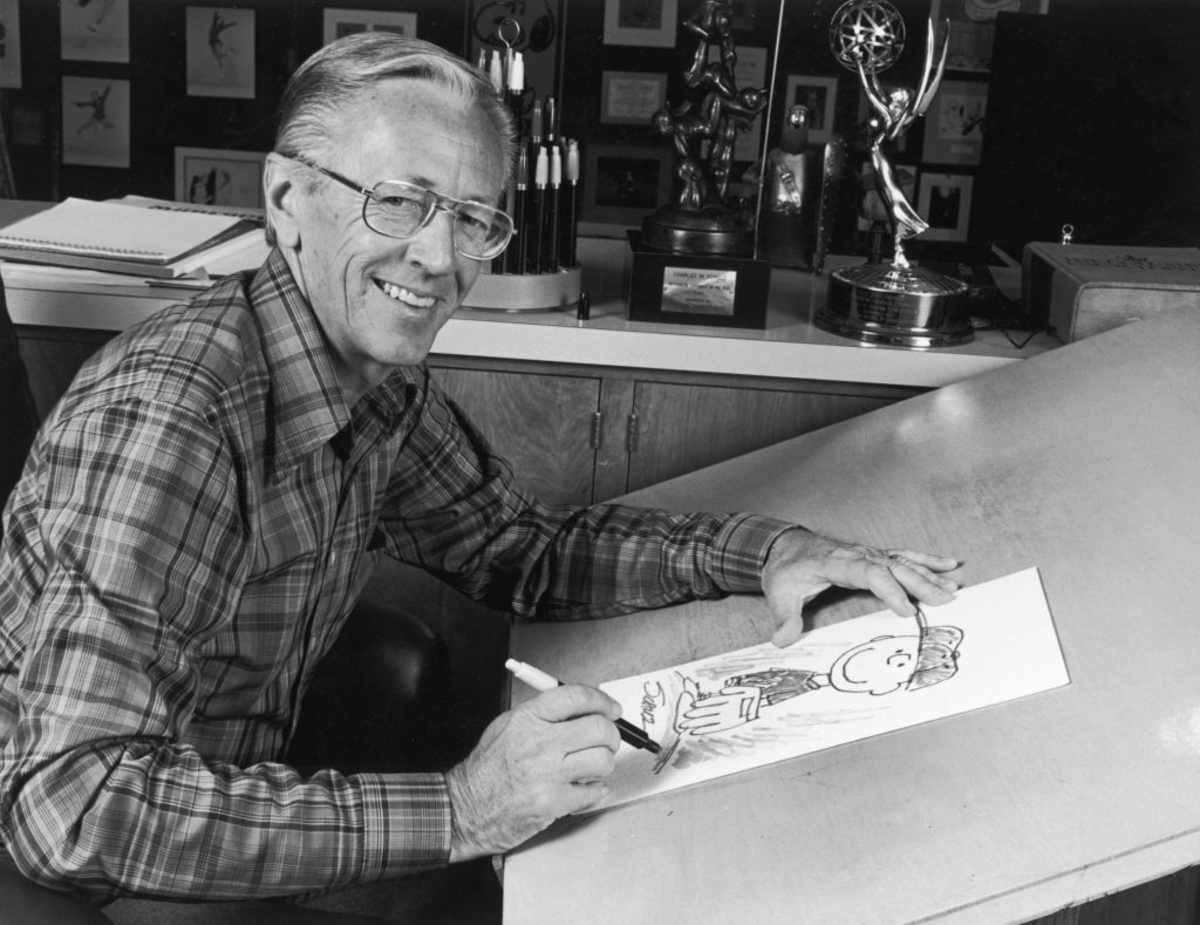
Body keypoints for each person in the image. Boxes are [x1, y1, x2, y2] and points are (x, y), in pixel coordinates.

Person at [0, 33, 959, 920]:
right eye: (400, 201)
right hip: (74, 859)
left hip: (218, 777)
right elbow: (71, 807)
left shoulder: (370, 380)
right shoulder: (177, 418)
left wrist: (773, 553)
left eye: (471, 217)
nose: (439, 255)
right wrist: (465, 808)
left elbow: (521, 551)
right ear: (288, 201)